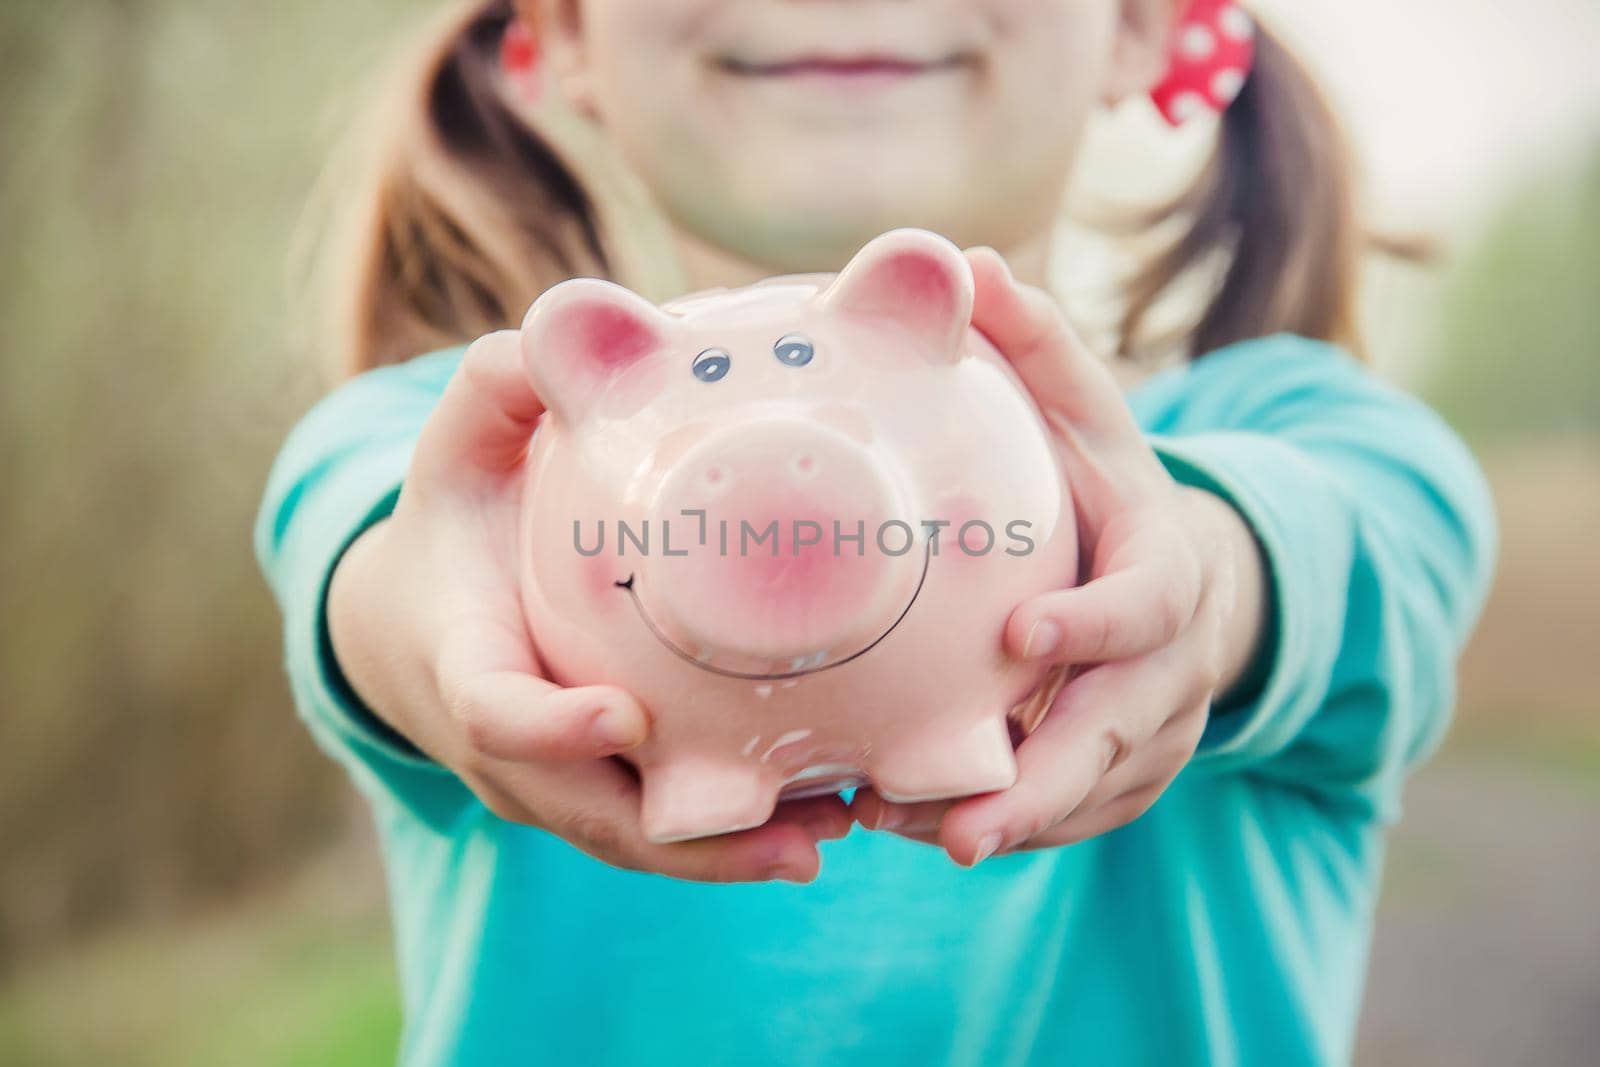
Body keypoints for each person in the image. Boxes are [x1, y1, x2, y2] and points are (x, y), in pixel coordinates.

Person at [254, 1, 1497, 1063]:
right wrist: (425, 632)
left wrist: (1203, 588)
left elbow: (1359, 550)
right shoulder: (457, 455)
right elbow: (371, 566)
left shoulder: (1307, 431)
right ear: (570, 30)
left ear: (1140, 24)